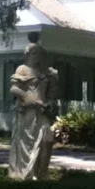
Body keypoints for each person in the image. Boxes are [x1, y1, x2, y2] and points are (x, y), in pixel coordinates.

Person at [7, 38, 58, 180]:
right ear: (28, 55)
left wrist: (53, 86)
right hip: (28, 111)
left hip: (42, 111)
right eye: (34, 53)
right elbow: (14, 88)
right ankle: (26, 174)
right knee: (27, 144)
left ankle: (42, 172)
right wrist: (26, 97)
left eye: (40, 54)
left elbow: (51, 94)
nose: (37, 56)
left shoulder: (47, 73)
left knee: (47, 139)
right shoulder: (23, 69)